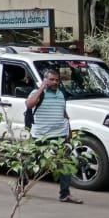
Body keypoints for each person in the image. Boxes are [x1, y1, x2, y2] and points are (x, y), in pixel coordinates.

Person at [25, 69, 82, 204]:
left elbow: (63, 112)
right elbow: (29, 104)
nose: (55, 82)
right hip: (41, 135)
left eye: (57, 80)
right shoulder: (37, 93)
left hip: (60, 134)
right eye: (52, 80)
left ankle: (65, 194)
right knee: (34, 161)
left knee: (65, 163)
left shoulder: (61, 94)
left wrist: (69, 130)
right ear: (46, 80)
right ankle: (22, 181)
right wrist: (41, 88)